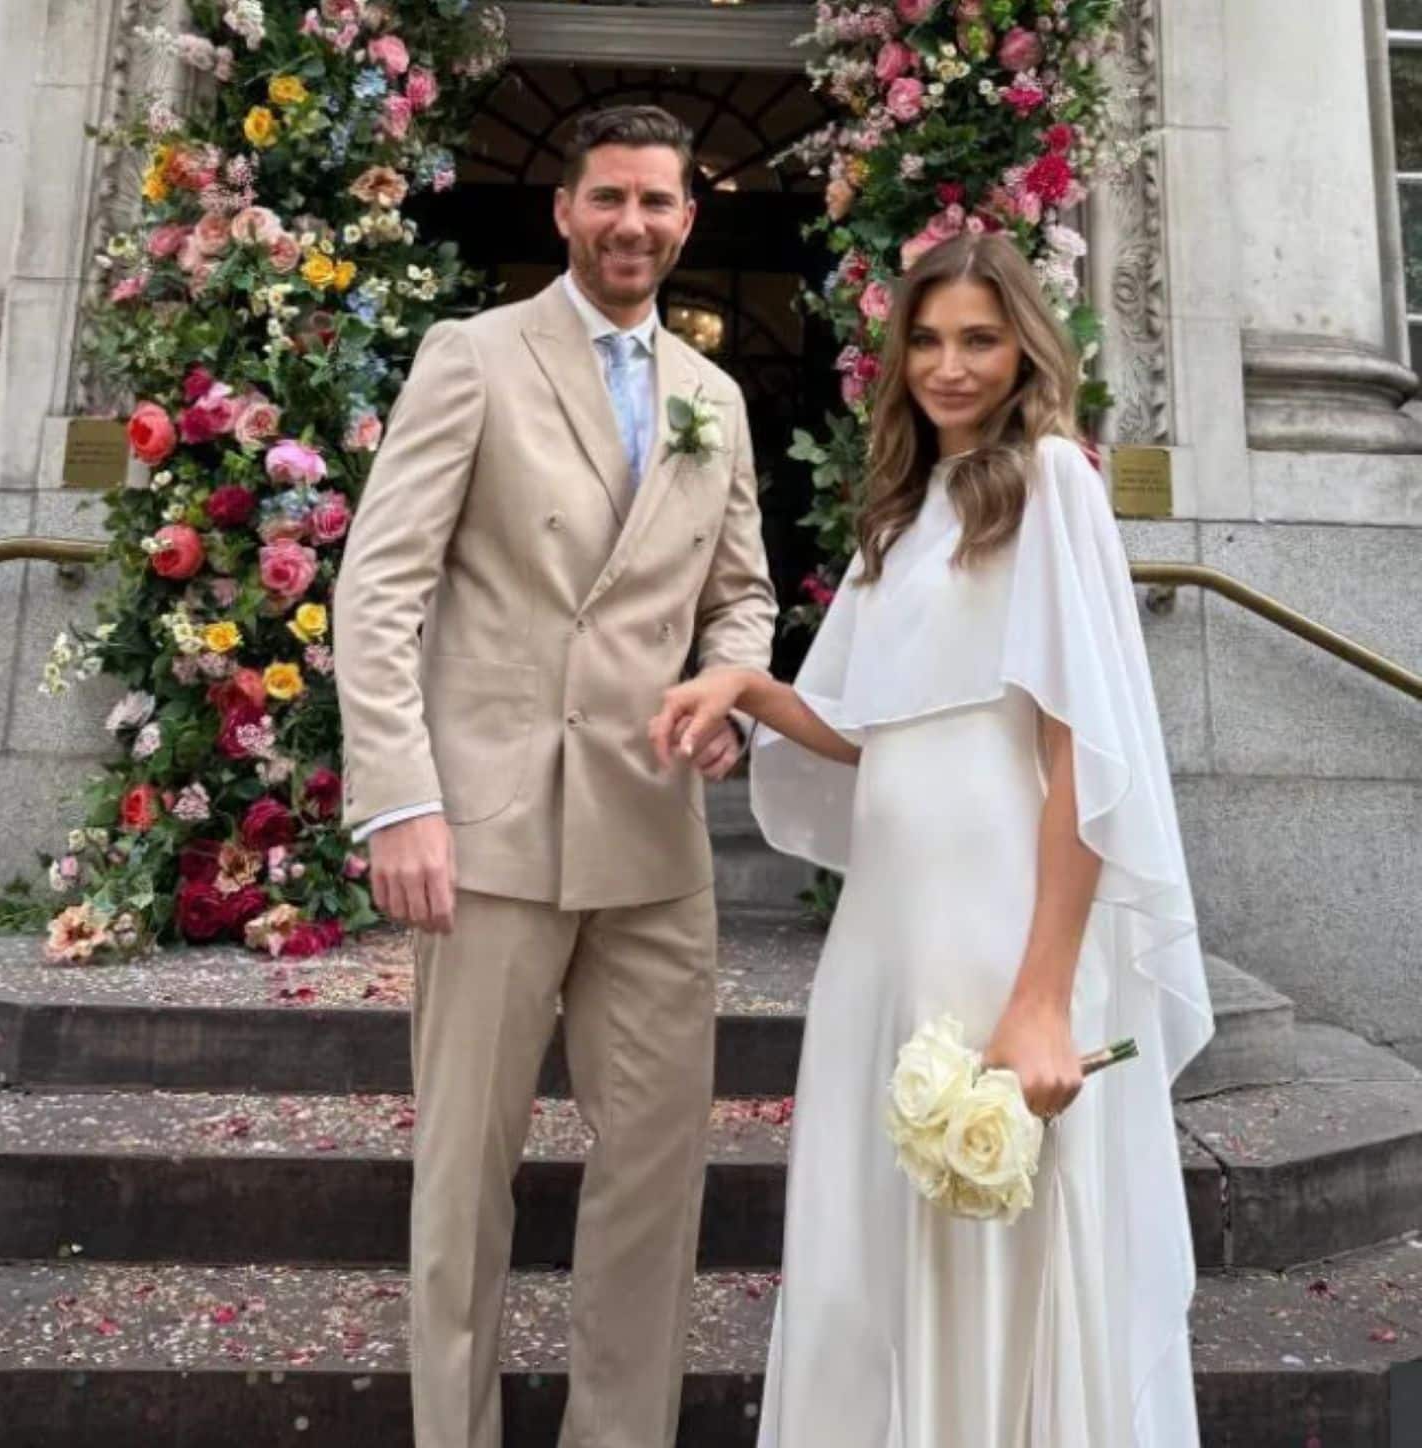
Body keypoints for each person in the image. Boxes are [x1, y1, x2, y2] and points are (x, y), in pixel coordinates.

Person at [649, 231, 1213, 1447]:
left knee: (997, 1230)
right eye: (927, 338)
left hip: (1001, 917)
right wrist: (742, 682)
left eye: (980, 338)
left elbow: (1079, 758)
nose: (950, 366)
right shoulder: (902, 511)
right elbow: (866, 726)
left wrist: (1047, 992)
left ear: (1025, 350)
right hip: (887, 932)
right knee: (872, 1238)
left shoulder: (1051, 481)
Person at [332, 104, 777, 1448]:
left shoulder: (717, 398)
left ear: (690, 217)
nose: (634, 223)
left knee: (654, 1181)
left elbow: (743, 598)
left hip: (653, 844)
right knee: (464, 1182)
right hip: (488, 835)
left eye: (659, 202)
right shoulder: (472, 358)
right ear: (564, 211)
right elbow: (381, 584)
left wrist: (731, 699)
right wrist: (401, 799)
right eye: (609, 200)